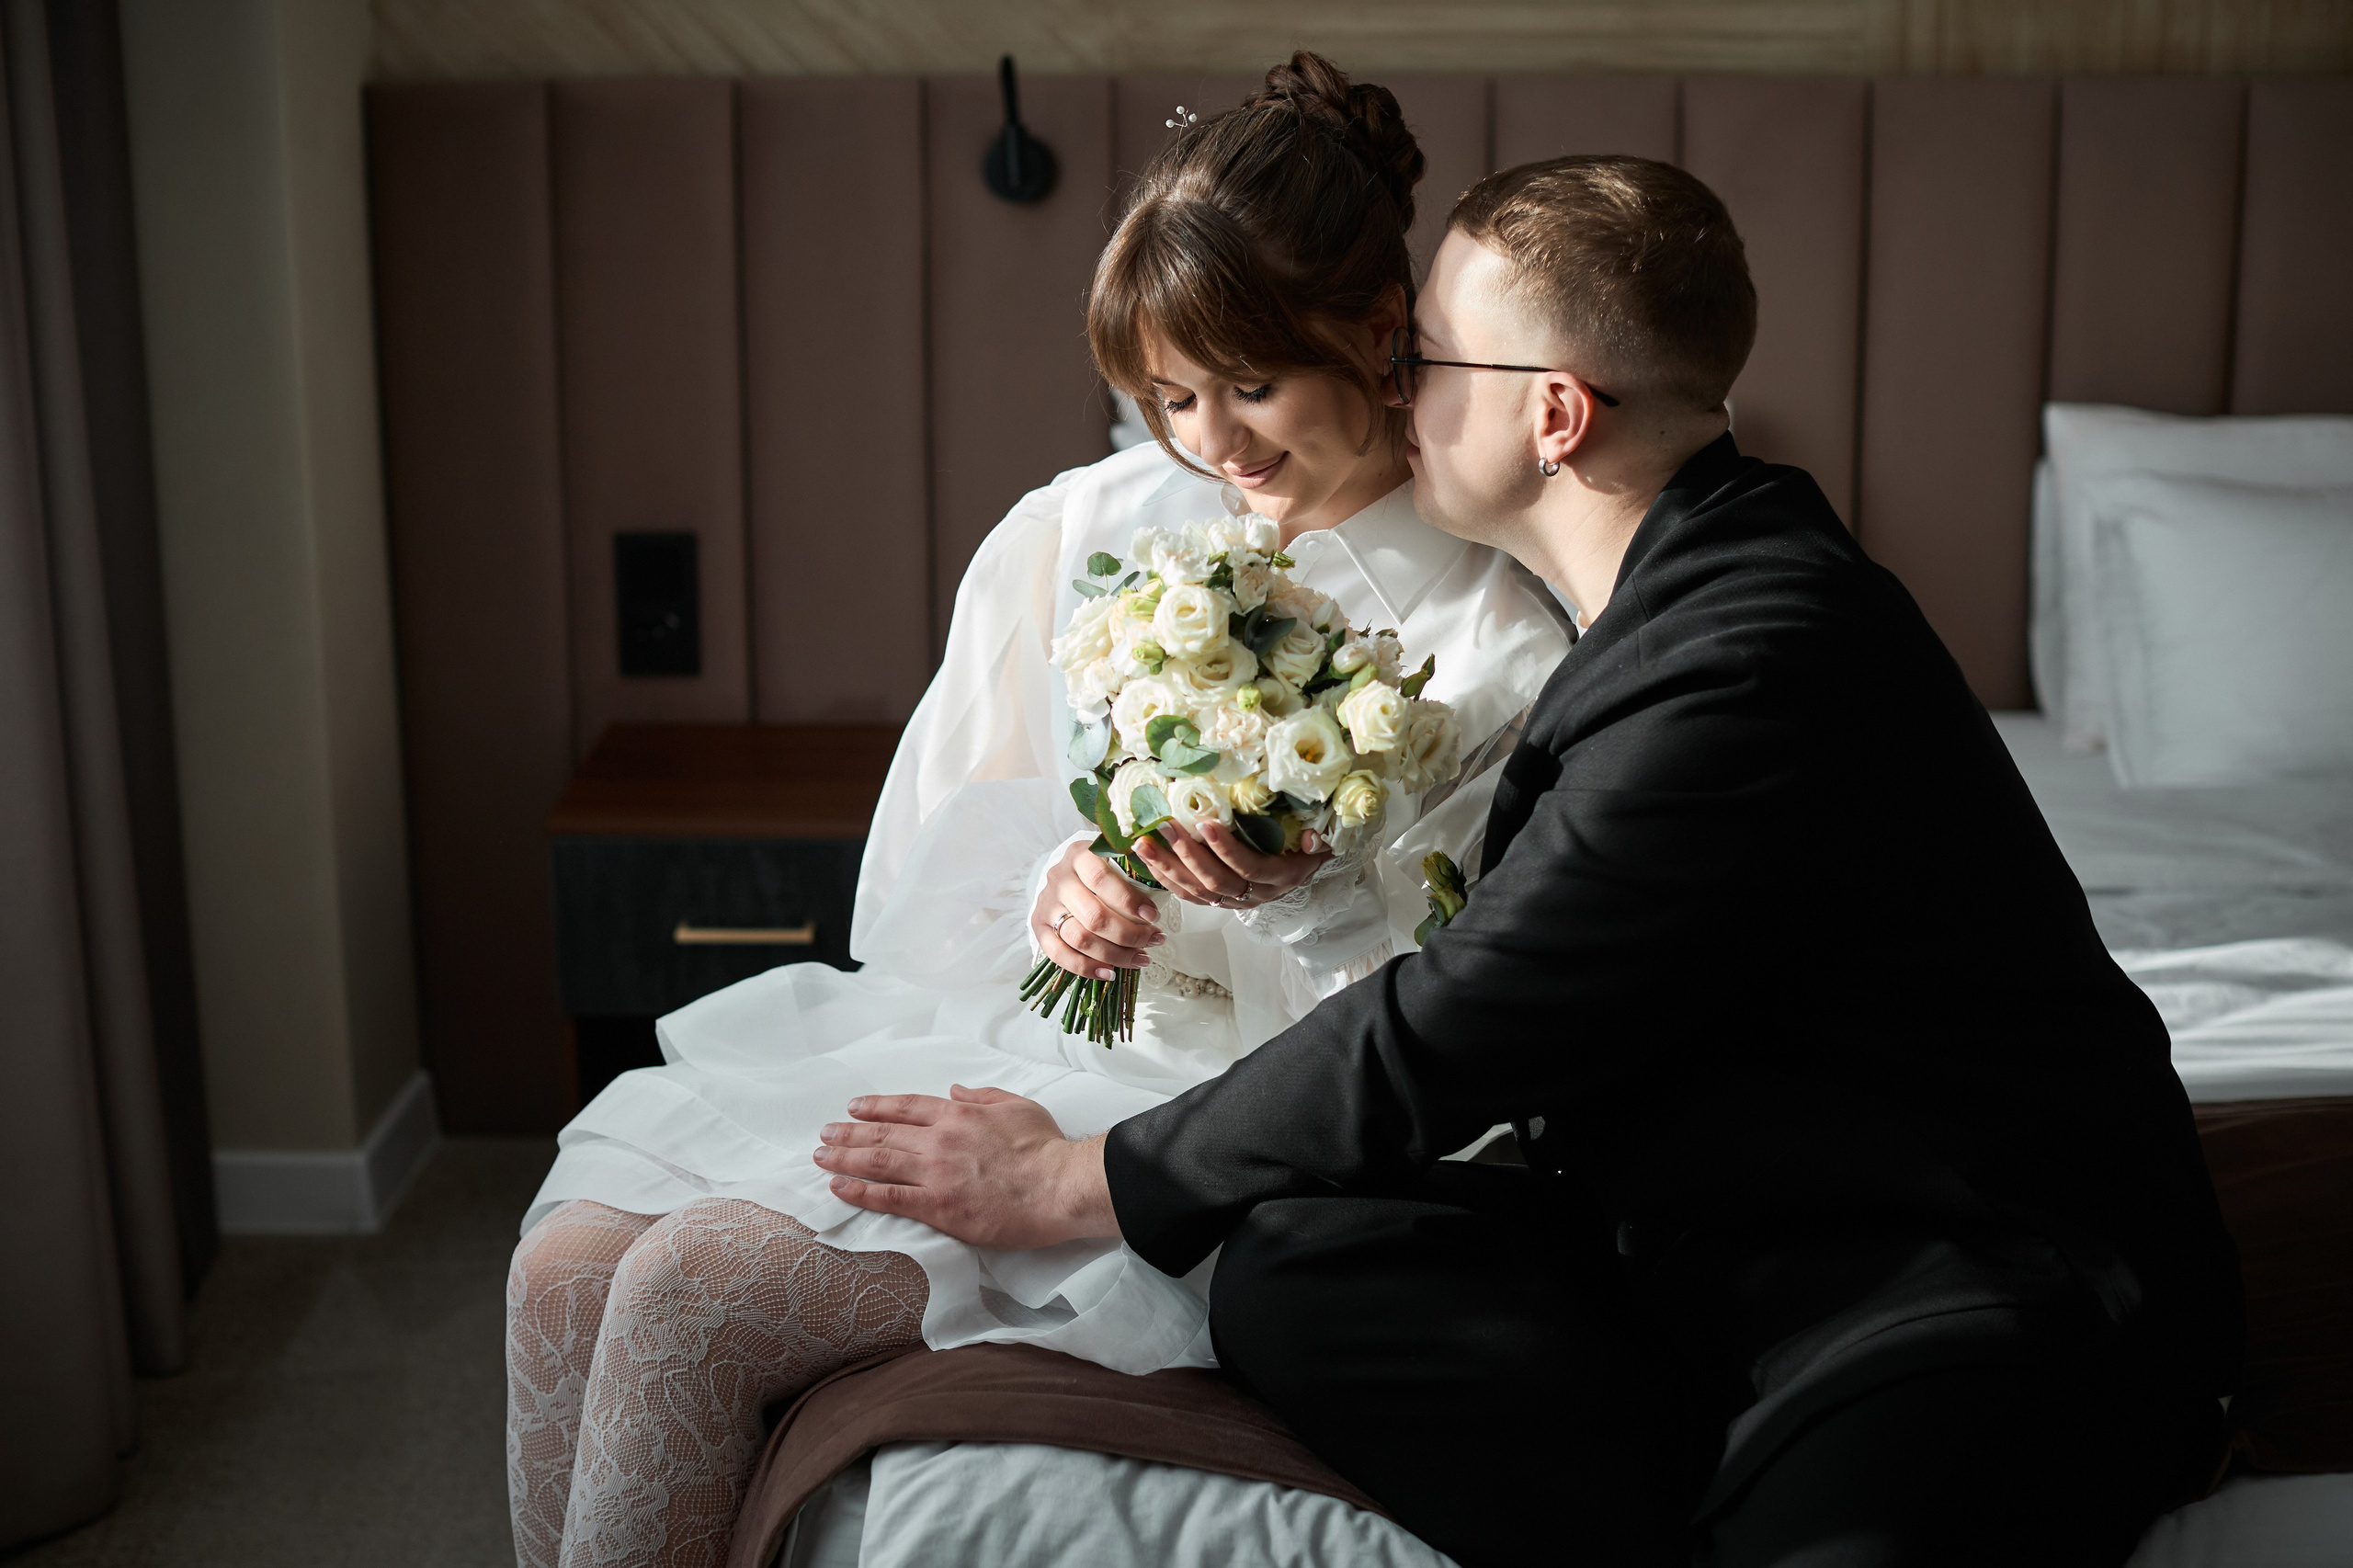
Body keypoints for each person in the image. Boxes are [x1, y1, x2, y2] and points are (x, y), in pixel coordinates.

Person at [814, 156, 2245, 1567]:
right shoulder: (1670, 593)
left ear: (1553, 414)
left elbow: (1457, 1016)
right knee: (1300, 1265)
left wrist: (1077, 1178)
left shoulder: (1750, 655)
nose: (1394, 382)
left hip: (1935, 1278)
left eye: (1425, 353)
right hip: (1695, 1236)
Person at [500, 54, 1574, 1568]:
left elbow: (1454, 1050)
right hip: (1024, 1037)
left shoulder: (1493, 641)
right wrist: (1056, 889)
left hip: (1214, 1125)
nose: (1213, 443)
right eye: (1172, 396)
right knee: (563, 1269)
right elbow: (919, 897)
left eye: (1252, 384)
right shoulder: (1084, 532)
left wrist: (1305, 892)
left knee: (690, 1291)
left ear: (1379, 331)